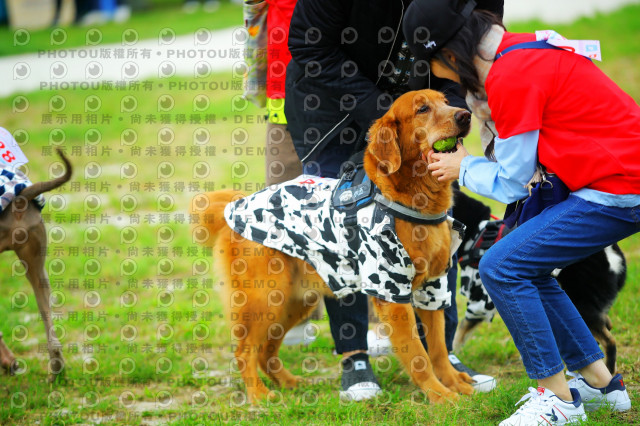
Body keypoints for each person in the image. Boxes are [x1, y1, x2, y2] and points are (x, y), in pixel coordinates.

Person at [403, 0, 637, 423]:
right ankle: (602, 385)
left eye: (433, 65)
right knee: (521, 261)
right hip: (613, 178)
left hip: (618, 187)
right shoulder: (521, 52)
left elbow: (513, 179)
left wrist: (462, 166)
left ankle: (557, 400)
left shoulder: (512, 77)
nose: (438, 76)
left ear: (450, 55)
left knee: (501, 266)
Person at [285, 0, 503, 400]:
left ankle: (442, 357)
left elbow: (474, 34)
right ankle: (355, 357)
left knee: (434, 214)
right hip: (330, 105)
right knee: (345, 224)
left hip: (424, 106)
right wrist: (388, 117)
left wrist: (448, 107)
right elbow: (308, 44)